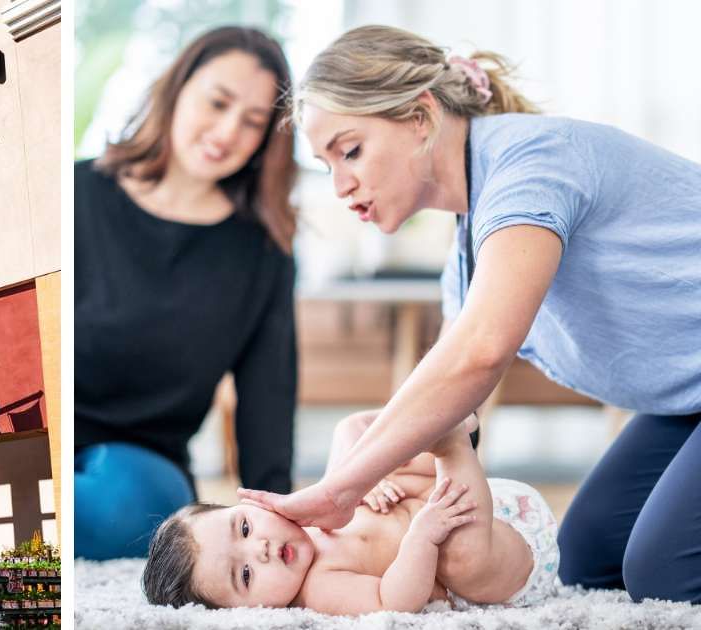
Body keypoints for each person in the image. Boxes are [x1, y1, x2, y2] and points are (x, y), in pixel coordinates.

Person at [237, 24, 701, 604]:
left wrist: (343, 489)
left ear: (421, 116)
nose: (340, 185)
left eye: (350, 151)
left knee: (667, 573)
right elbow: (458, 413)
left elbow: (480, 353)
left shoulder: (531, 165)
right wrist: (366, 453)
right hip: (688, 397)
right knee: (588, 558)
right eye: (326, 164)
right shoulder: (468, 251)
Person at [75, 26, 300, 560]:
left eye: (253, 121)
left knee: (123, 510)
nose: (227, 132)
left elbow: (268, 399)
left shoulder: (262, 252)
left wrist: (278, 516)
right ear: (177, 90)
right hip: (51, 435)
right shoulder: (79, 194)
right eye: (217, 103)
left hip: (143, 470)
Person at [145, 416, 561, 614]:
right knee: (458, 558)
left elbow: (352, 439)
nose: (262, 549)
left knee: (349, 432)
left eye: (245, 528)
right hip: (504, 561)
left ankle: (443, 419)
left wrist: (365, 479)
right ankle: (451, 443)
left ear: (251, 505)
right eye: (247, 575)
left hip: (486, 500)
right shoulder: (319, 588)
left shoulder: (305, 516)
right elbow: (394, 601)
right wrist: (422, 538)